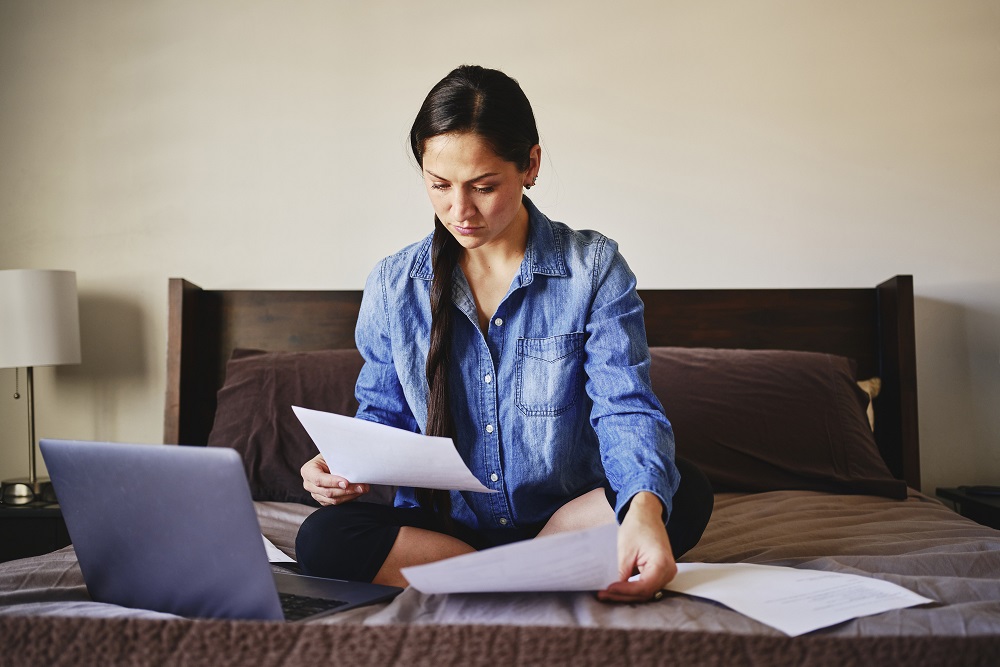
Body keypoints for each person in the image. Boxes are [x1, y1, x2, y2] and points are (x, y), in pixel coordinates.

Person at [296, 65, 713, 603]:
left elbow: (625, 407)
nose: (460, 211)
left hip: (566, 519)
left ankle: (497, 574)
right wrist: (342, 466)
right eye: (439, 185)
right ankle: (532, 573)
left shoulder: (593, 268)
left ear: (530, 165)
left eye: (484, 186)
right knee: (320, 538)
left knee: (677, 487)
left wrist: (644, 511)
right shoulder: (393, 284)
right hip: (445, 533)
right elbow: (384, 418)